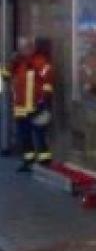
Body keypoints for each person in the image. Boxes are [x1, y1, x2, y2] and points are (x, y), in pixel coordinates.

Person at [9, 37, 53, 172]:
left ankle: (44, 163)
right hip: (20, 108)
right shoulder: (18, 62)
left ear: (32, 47)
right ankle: (28, 161)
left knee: (39, 135)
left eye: (26, 47)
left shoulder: (41, 62)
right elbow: (4, 76)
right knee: (24, 136)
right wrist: (11, 63)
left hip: (36, 107)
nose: (24, 50)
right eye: (21, 48)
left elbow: (48, 81)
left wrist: (44, 101)